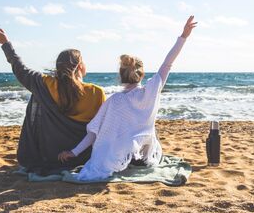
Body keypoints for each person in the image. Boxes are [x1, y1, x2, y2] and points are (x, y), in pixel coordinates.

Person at [58, 16, 197, 180]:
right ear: (142, 74)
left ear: (120, 76)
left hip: (116, 162)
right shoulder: (150, 92)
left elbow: (94, 133)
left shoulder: (114, 101)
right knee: (150, 140)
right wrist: (184, 37)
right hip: (145, 161)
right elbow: (167, 63)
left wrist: (73, 152)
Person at [0, 26, 106, 175]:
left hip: (50, 156)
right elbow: (102, 128)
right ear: (80, 66)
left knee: (37, 94)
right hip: (83, 155)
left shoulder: (44, 83)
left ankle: (33, 151)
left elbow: (20, 69)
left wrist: (5, 43)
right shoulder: (96, 92)